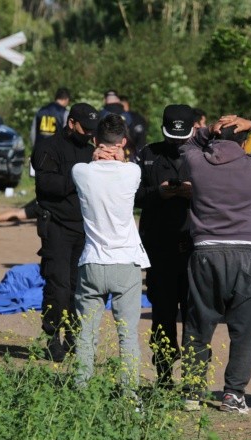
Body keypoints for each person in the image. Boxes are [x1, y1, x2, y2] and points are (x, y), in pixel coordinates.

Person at [179, 115, 251, 413]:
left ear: (215, 137)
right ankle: (233, 394)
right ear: (243, 141)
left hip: (205, 253)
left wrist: (206, 130)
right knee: (243, 329)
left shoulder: (198, 164)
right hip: (247, 254)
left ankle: (191, 390)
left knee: (199, 324)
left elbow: (186, 143)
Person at [71, 113, 150, 396]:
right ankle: (130, 396)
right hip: (125, 262)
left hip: (92, 260)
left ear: (95, 141)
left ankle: (81, 391)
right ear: (123, 143)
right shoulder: (132, 172)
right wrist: (119, 157)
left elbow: (89, 167)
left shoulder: (80, 171)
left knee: (86, 334)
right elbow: (127, 167)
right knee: (127, 336)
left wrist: (97, 158)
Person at [33, 102, 100, 361]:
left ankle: (73, 335)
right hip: (57, 227)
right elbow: (47, 185)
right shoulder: (48, 148)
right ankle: (52, 336)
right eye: (86, 129)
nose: (90, 135)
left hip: (84, 227)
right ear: (71, 123)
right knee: (58, 287)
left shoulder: (92, 150)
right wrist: (82, 175)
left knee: (79, 287)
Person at [135, 104, 195, 386]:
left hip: (193, 249)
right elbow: (133, 196)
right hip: (159, 250)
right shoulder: (148, 154)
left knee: (195, 318)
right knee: (162, 316)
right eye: (173, 138)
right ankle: (164, 376)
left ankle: (194, 381)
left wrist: (191, 193)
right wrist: (157, 193)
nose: (178, 144)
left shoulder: (203, 156)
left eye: (182, 139)